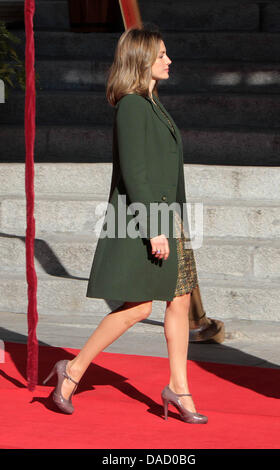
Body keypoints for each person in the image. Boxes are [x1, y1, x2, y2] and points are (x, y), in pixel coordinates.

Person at [43, 27, 208, 424]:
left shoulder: (152, 102)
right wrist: (154, 228)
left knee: (180, 300)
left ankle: (179, 388)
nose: (169, 60)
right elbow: (135, 173)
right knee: (138, 307)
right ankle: (74, 370)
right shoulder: (132, 105)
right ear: (142, 60)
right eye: (162, 54)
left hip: (168, 217)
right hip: (146, 219)